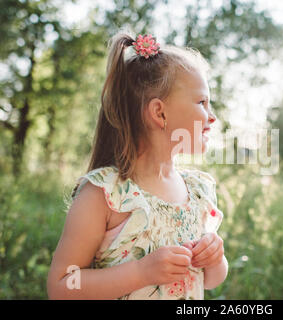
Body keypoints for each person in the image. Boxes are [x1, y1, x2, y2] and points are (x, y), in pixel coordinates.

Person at [47, 32, 227, 300]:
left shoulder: (199, 190)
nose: (212, 117)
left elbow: (211, 280)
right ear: (159, 113)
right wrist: (141, 272)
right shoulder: (106, 194)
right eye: (202, 102)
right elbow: (61, 286)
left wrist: (214, 259)